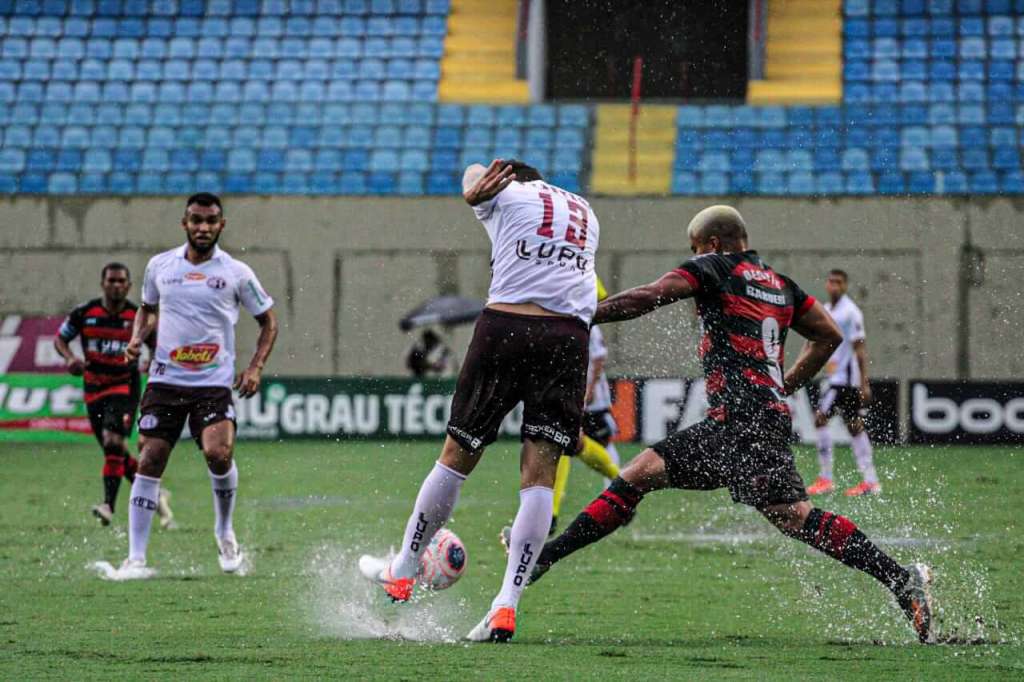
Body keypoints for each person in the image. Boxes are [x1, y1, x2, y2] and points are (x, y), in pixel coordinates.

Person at [521, 206, 933, 643]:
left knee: (791, 515)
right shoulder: (779, 283)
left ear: (712, 245)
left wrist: (582, 315)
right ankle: (545, 557)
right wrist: (785, 384)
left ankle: (900, 579)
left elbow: (650, 296)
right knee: (645, 474)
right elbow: (828, 335)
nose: (694, 257)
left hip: (744, 422)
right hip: (743, 420)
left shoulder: (714, 267)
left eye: (695, 249)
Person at [359, 159, 600, 643]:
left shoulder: (506, 195)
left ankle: (404, 568)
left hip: (507, 327)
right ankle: (505, 606)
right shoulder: (586, 211)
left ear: (510, 180)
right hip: (569, 338)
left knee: (457, 457)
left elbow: (472, 178)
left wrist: (477, 191)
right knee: (540, 477)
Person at [109, 192, 278, 579]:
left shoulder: (237, 272)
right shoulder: (160, 267)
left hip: (213, 383)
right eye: (196, 220)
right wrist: (137, 337)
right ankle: (136, 558)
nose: (203, 227)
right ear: (184, 223)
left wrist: (255, 367)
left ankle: (224, 530)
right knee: (150, 459)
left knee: (218, 454)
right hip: (166, 380)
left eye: (211, 221)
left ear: (222, 225)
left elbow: (269, 320)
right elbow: (147, 309)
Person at [54, 263, 174, 529]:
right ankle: (155, 495)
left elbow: (158, 345)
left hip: (124, 385)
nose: (116, 285)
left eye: (122, 281)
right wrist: (70, 358)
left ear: (129, 286)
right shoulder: (85, 313)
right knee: (115, 449)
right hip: (93, 386)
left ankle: (108, 505)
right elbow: (60, 340)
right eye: (111, 281)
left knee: (112, 441)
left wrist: (152, 363)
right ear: (103, 283)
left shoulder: (137, 316)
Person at [550, 278, 621, 536]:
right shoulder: (562, 312)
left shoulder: (585, 316)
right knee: (566, 444)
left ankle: (620, 489)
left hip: (589, 396)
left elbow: (598, 356)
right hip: (567, 393)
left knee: (589, 442)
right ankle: (552, 513)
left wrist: (588, 392)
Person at [806, 269, 880, 497]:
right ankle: (870, 481)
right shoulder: (827, 310)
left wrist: (863, 382)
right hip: (835, 377)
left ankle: (826, 478)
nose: (834, 286)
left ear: (845, 286)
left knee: (820, 419)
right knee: (854, 426)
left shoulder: (851, 312)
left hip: (845, 380)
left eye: (838, 282)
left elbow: (859, 348)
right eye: (830, 281)